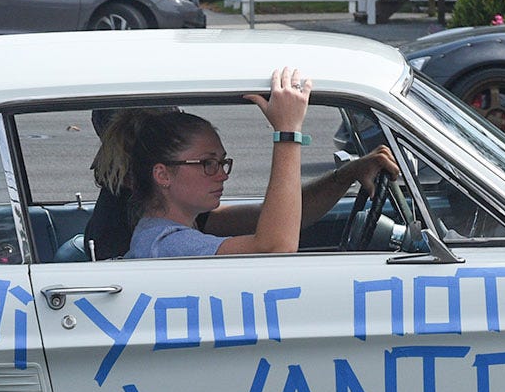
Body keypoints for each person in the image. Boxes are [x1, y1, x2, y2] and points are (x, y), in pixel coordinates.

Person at [92, 68, 398, 258]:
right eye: (208, 163)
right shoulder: (166, 244)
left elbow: (279, 217)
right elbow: (276, 246)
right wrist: (287, 132)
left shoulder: (176, 225)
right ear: (163, 174)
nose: (222, 175)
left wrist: (346, 174)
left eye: (223, 162)